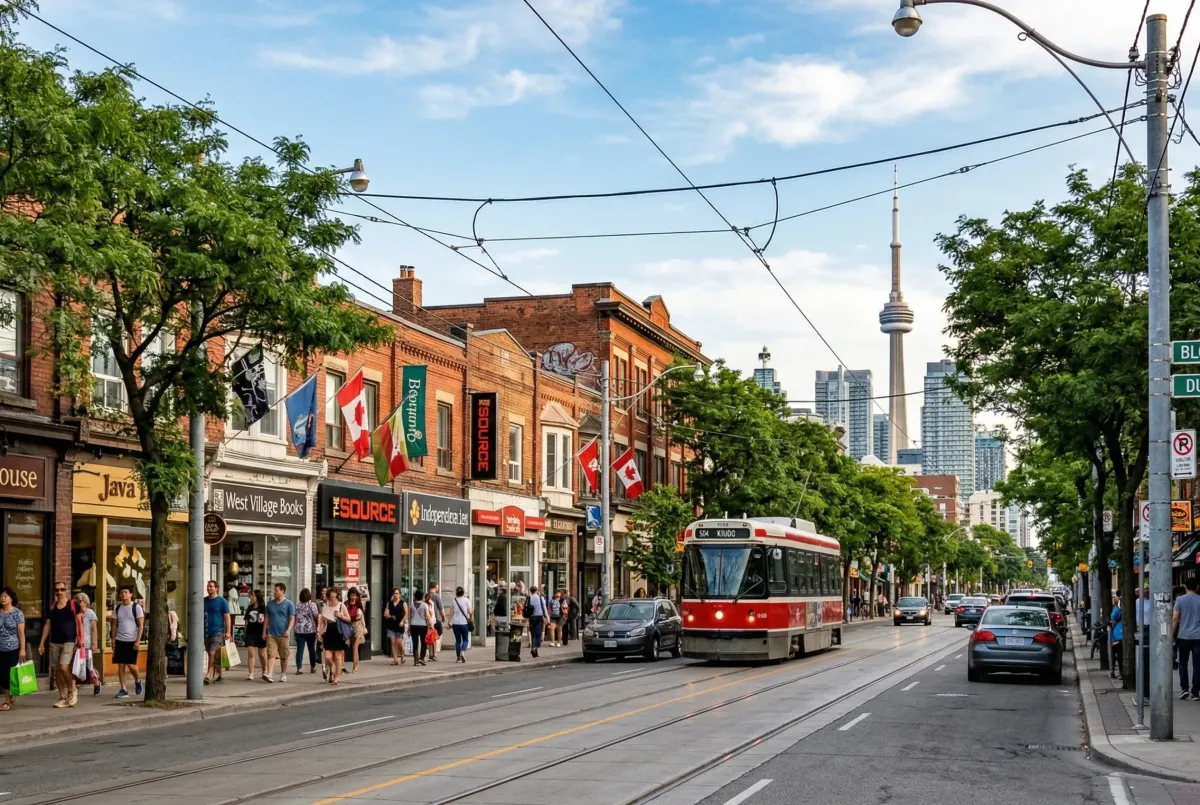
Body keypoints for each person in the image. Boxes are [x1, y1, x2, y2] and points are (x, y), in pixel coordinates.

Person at [38, 580, 83, 708]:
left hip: (69, 640)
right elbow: (47, 625)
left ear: (66, 590)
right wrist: (42, 642)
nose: (59, 592)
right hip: (54, 642)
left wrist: (81, 639)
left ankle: (72, 689)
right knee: (57, 670)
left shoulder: (73, 605)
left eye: (62, 590)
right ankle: (62, 697)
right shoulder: (52, 607)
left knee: (64, 667)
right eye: (57, 590)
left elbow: (79, 623)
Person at [109, 586, 144, 698]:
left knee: (131, 664)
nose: (123, 594)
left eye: (125, 592)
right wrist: (113, 639)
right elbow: (114, 624)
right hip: (120, 639)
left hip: (132, 640)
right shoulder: (117, 608)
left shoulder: (136, 607)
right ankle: (123, 689)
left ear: (130, 594)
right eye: (121, 592)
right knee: (121, 666)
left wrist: (137, 641)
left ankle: (138, 680)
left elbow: (141, 624)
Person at [1173, 577, 1200, 700]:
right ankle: (1195, 691)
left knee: (1183, 663)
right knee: (1197, 665)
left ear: (1185, 587)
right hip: (1198, 636)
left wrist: (1172, 635)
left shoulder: (1179, 600)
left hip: (1183, 636)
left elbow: (1175, 619)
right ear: (1197, 587)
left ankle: (1184, 689)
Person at [0, 586, 26, 711]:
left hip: (13, 648)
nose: (2, 598)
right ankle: (10, 696)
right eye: (1, 596)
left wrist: (23, 649)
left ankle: (7, 701)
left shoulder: (17, 613)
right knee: (2, 675)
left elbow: (21, 633)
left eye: (5, 596)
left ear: (11, 598)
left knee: (9, 675)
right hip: (0, 648)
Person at [264, 583, 295, 683]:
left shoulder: (289, 604)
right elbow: (267, 618)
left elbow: (292, 618)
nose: (274, 592)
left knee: (284, 656)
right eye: (274, 590)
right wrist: (264, 631)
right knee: (271, 654)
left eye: (276, 590)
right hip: (272, 633)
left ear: (282, 591)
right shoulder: (270, 604)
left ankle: (283, 674)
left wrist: (288, 630)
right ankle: (270, 674)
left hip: (283, 634)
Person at [318, 589, 351, 685]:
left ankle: (336, 678)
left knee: (338, 656)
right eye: (329, 594)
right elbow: (323, 622)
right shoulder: (326, 607)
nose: (331, 595)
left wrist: (340, 615)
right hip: (329, 632)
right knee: (327, 656)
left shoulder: (341, 605)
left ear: (337, 594)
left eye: (333, 593)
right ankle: (331, 668)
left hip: (338, 632)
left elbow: (348, 619)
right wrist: (319, 633)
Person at [203, 580, 231, 684]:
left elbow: (227, 617)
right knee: (214, 654)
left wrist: (228, 632)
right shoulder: (204, 601)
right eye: (208, 586)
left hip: (218, 632)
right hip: (206, 632)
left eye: (211, 586)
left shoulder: (222, 601)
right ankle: (220, 674)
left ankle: (209, 674)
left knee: (212, 652)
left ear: (216, 588)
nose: (209, 588)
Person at [77, 593, 100, 695]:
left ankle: (96, 682)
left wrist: (94, 643)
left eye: (80, 601)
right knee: (76, 666)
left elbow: (94, 630)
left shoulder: (90, 613)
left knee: (89, 666)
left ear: (85, 603)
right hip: (76, 644)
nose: (78, 603)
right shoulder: (74, 613)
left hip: (87, 644)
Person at [243, 590, 268, 682]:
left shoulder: (263, 607)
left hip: (260, 632)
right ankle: (251, 673)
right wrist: (244, 632)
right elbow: (246, 621)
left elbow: (265, 620)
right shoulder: (249, 607)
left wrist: (264, 632)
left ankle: (264, 669)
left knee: (262, 654)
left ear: (257, 597)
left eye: (253, 596)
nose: (251, 597)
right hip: (250, 632)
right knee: (251, 652)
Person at [294, 588, 319, 675]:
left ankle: (299, 668)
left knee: (300, 649)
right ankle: (313, 667)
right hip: (310, 630)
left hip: (299, 630)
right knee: (311, 649)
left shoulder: (297, 606)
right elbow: (316, 617)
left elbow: (295, 617)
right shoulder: (312, 605)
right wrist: (317, 628)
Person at [384, 588, 408, 666]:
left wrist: (403, 621)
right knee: (393, 642)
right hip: (391, 624)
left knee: (399, 642)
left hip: (399, 624)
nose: (395, 595)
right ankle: (395, 660)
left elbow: (406, 613)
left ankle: (402, 654)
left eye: (397, 593)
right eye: (394, 593)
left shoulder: (403, 603)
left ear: (400, 594)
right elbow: (386, 613)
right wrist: (388, 615)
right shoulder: (389, 603)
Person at [345, 588, 366, 673]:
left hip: (358, 627)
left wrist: (350, 618)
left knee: (355, 647)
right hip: (349, 627)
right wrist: (351, 618)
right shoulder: (346, 604)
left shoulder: (359, 605)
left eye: (355, 595)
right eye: (351, 595)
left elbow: (358, 617)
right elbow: (346, 616)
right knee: (352, 647)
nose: (353, 597)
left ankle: (355, 667)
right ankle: (355, 665)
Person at [409, 590, 431, 667]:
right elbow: (428, 616)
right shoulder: (425, 605)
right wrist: (431, 625)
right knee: (423, 643)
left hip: (413, 625)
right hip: (423, 626)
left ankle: (416, 661)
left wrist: (409, 627)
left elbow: (410, 617)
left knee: (415, 643)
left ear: (415, 597)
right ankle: (422, 658)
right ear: (422, 597)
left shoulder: (411, 605)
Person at [451, 586, 472, 663]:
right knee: (466, 640)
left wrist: (449, 621)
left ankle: (458, 657)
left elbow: (451, 612)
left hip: (455, 623)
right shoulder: (467, 600)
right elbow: (470, 612)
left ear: (456, 592)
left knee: (458, 640)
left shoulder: (454, 600)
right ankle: (463, 651)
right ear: (463, 592)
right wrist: (471, 619)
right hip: (464, 623)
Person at [527, 586, 547, 658]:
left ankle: (533, 648)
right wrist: (547, 617)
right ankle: (535, 648)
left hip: (531, 617)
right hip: (539, 616)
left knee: (533, 633)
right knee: (538, 633)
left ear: (530, 591)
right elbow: (544, 608)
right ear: (537, 590)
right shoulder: (540, 598)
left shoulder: (529, 598)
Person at [428, 584, 445, 662]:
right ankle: (433, 654)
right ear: (435, 587)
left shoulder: (426, 595)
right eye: (437, 586)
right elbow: (441, 609)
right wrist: (443, 617)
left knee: (429, 636)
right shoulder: (437, 596)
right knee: (434, 637)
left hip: (427, 620)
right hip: (435, 620)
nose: (438, 588)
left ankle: (430, 654)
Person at [1111, 596, 1125, 680]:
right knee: (1121, 655)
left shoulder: (1116, 610)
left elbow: (1112, 621)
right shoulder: (1121, 610)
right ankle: (1122, 673)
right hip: (1121, 633)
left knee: (1119, 656)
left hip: (1117, 635)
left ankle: (1121, 673)